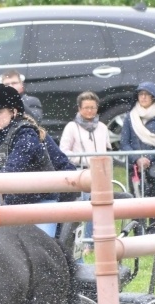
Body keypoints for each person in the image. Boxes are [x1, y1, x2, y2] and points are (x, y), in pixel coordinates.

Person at [0, 84, 59, 237]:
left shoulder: (27, 135)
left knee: (43, 246)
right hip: (10, 199)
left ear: (14, 111)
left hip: (40, 201)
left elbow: (12, 170)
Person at [60, 91, 112, 251]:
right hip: (80, 173)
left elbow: (108, 149)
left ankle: (93, 242)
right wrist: (83, 159)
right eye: (86, 107)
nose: (90, 111)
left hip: (100, 174)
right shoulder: (71, 127)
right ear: (79, 108)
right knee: (82, 208)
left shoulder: (102, 127)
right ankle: (79, 242)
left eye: (93, 107)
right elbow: (64, 150)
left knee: (98, 207)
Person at [120, 82, 155, 234]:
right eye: (140, 94)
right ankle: (139, 235)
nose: (143, 97)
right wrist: (137, 159)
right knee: (137, 203)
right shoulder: (130, 118)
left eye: (146, 94)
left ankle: (154, 236)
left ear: (153, 97)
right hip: (136, 169)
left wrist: (149, 158)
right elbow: (124, 143)